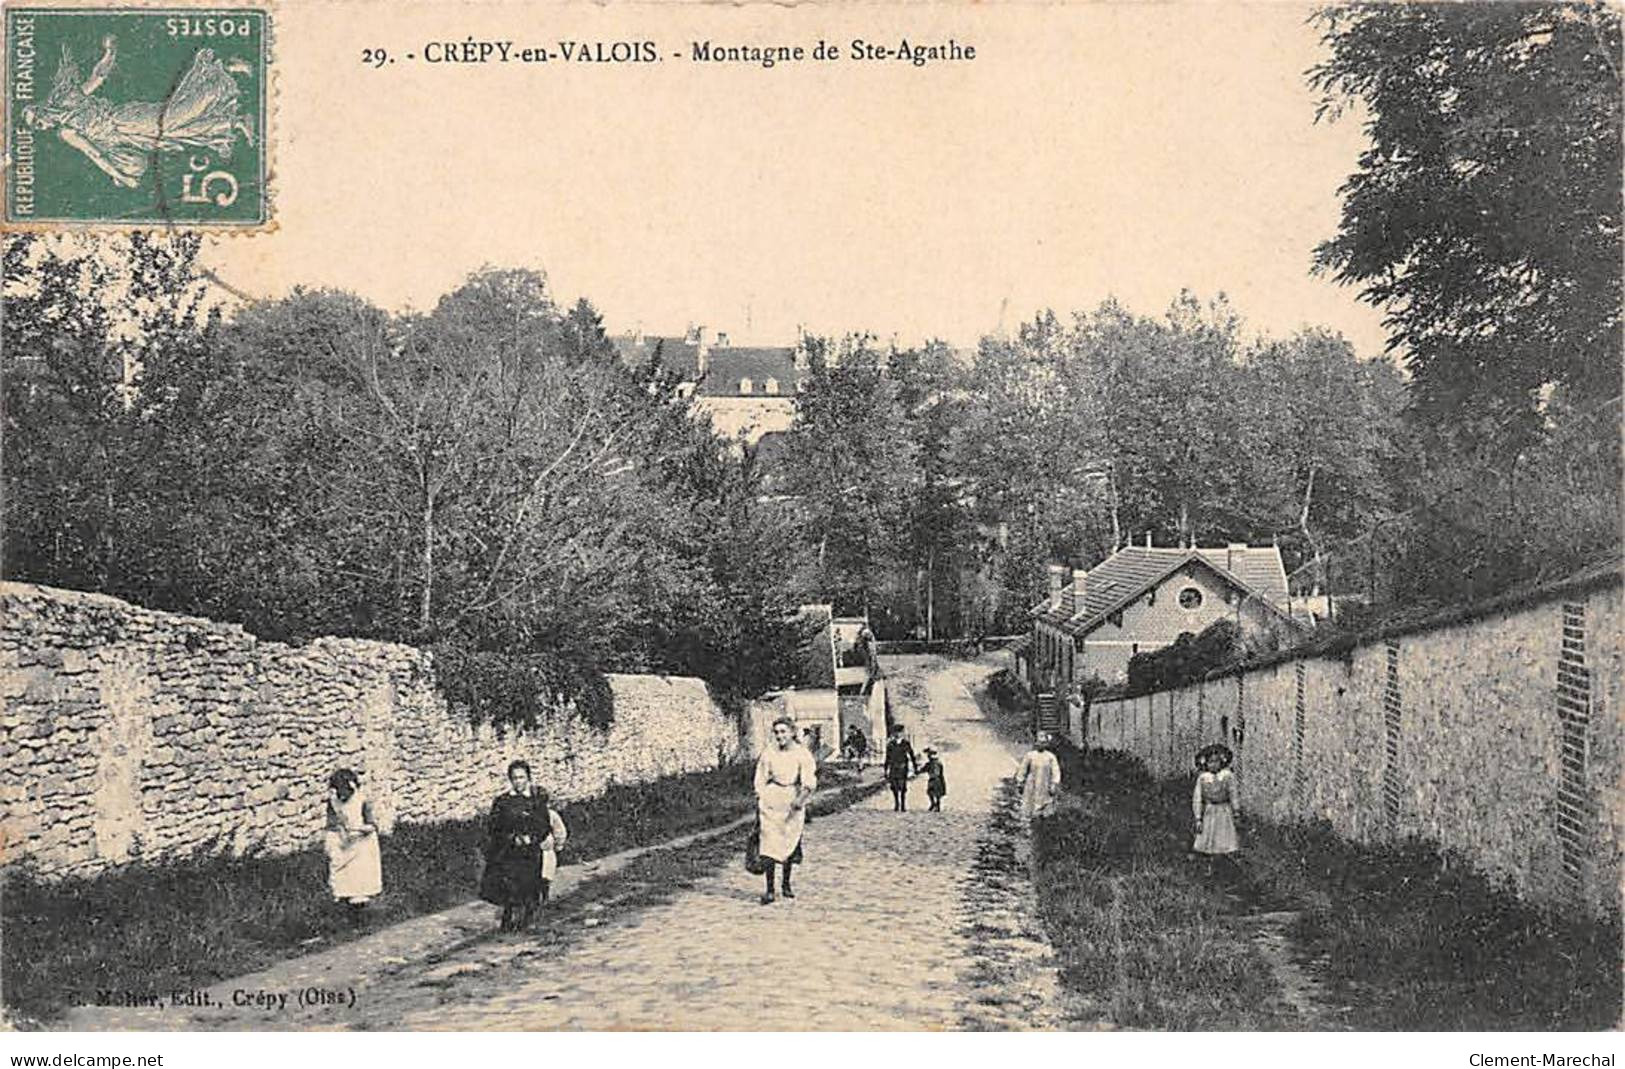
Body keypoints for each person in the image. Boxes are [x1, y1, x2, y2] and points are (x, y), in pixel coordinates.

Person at [479, 760, 549, 931]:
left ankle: (528, 918)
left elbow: (544, 825)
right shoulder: (502, 802)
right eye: (515, 778)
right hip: (509, 852)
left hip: (530, 852)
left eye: (522, 778)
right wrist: (511, 839)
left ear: (528, 778)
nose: (518, 782)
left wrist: (533, 838)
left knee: (530, 883)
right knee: (510, 885)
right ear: (510, 780)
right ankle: (509, 917)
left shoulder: (535, 801)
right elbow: (494, 827)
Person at [754, 717, 817, 904]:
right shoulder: (769, 753)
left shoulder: (802, 754)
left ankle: (786, 884)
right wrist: (761, 795)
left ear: (792, 732)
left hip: (791, 799)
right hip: (771, 800)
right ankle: (770, 889)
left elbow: (809, 781)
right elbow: (760, 777)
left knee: (789, 841)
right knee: (768, 844)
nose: (780, 736)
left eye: (783, 732)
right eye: (776, 732)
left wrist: (800, 800)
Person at [323, 768, 382, 920]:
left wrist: (361, 829)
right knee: (338, 862)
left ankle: (359, 909)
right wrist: (341, 834)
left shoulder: (362, 800)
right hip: (344, 838)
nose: (342, 795)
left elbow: (372, 824)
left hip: (362, 839)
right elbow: (332, 823)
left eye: (345, 791)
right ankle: (344, 901)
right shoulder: (333, 801)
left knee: (359, 871)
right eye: (339, 791)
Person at [1192, 743, 1241, 859]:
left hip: (1223, 810)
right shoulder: (1203, 778)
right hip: (1209, 811)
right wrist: (1198, 817)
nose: (1213, 765)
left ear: (1221, 762)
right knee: (1209, 838)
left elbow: (1233, 794)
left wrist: (1236, 811)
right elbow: (1198, 797)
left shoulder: (1227, 776)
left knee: (1224, 838)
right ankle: (1210, 862)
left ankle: (1224, 863)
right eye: (1211, 762)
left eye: (1216, 761)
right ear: (1206, 764)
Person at [1018, 733, 1063, 820]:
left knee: (1044, 803)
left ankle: (1042, 821)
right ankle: (1030, 821)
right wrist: (1020, 781)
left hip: (1045, 783)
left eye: (1043, 743)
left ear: (1046, 744)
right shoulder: (1030, 755)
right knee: (1030, 802)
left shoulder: (1050, 757)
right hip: (1032, 783)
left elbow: (1056, 771)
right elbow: (1023, 768)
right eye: (1039, 742)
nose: (1041, 745)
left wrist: (1054, 783)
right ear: (1036, 743)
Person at [536, 789, 569, 904]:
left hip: (547, 850)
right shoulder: (527, 815)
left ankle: (544, 896)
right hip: (532, 850)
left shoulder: (551, 815)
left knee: (546, 875)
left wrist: (559, 844)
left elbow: (559, 830)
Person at [884, 724, 919, 812]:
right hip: (893, 766)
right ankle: (896, 803)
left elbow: (911, 755)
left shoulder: (906, 743)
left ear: (902, 733)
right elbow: (887, 757)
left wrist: (915, 767)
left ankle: (903, 804)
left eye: (900, 732)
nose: (898, 734)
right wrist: (885, 769)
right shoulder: (890, 744)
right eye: (896, 732)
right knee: (894, 786)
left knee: (902, 786)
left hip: (903, 766)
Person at [921, 747, 947, 812]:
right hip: (937, 779)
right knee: (935, 793)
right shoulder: (938, 763)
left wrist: (917, 771)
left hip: (933, 779)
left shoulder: (930, 764)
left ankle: (934, 804)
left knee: (931, 792)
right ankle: (936, 805)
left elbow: (922, 770)